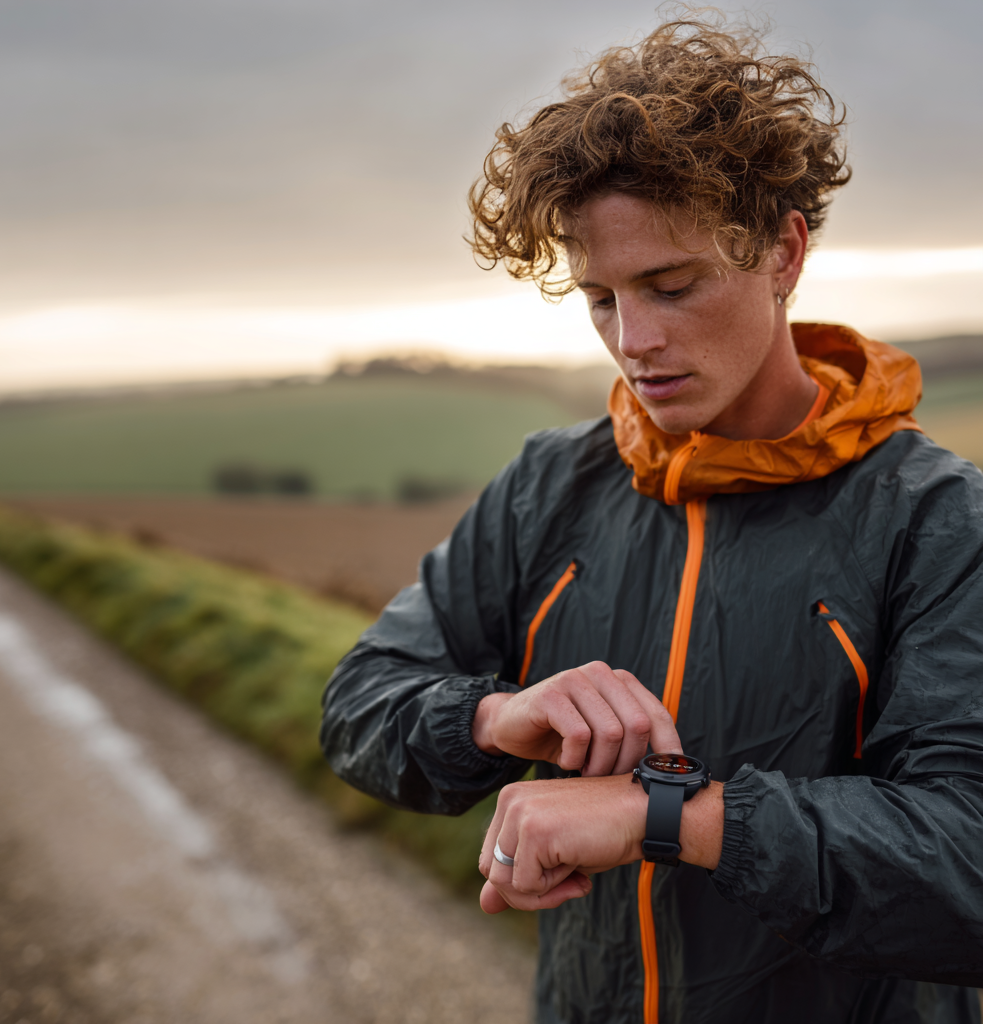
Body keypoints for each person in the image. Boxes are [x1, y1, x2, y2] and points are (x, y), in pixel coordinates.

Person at [320, 13, 983, 1023]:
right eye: (599, 298)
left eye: (671, 286)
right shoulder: (548, 486)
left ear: (782, 250)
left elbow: (966, 860)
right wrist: (499, 718)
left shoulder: (938, 522)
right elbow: (359, 703)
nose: (634, 341)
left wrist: (664, 816)